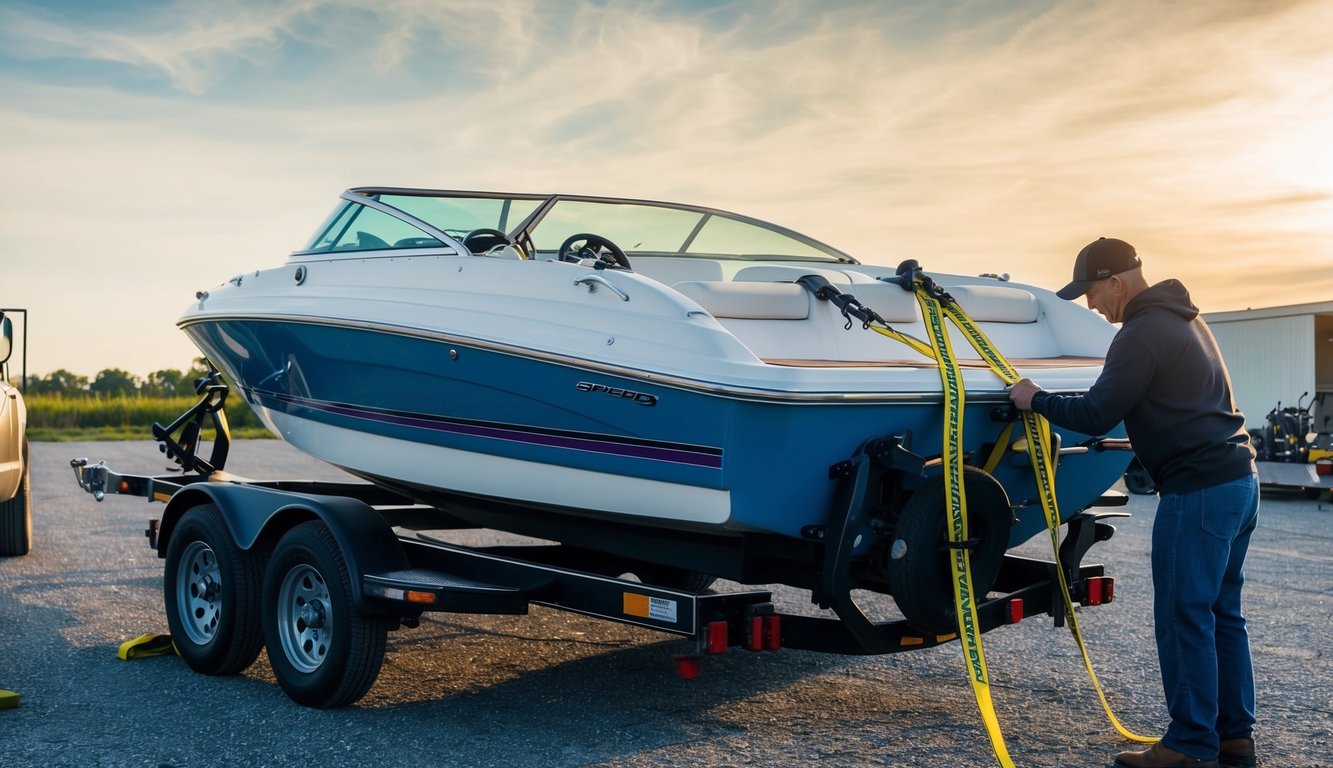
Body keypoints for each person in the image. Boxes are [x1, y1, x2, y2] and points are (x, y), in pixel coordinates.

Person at [1008, 238, 1259, 768]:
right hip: (1238, 480)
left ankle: (1190, 745)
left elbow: (1097, 414)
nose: (1092, 305)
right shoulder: (1187, 320)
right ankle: (1234, 738)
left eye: (1092, 292)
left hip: (1198, 491)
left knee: (1184, 615)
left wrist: (1035, 399)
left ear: (1116, 282)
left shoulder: (1141, 333)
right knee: (1221, 613)